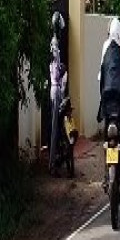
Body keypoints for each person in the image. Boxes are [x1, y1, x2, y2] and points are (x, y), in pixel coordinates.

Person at [97, 17, 120, 183]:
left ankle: (106, 175)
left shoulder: (106, 53)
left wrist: (102, 100)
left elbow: (101, 77)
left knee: (106, 137)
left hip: (107, 101)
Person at [48, 12, 68, 177]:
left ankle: (57, 159)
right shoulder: (54, 44)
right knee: (55, 128)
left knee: (60, 126)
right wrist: (63, 69)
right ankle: (52, 164)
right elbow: (56, 72)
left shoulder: (56, 44)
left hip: (58, 90)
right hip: (56, 89)